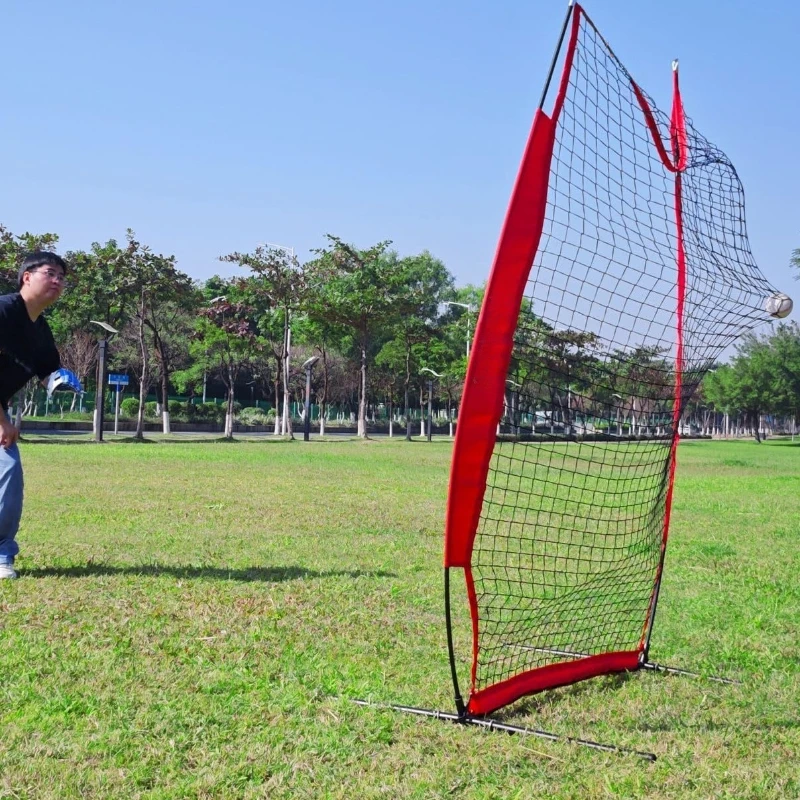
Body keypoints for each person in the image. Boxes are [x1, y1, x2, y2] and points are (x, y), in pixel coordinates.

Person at [0, 252, 66, 579]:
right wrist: (1, 421)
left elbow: (48, 368)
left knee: (8, 474)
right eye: (50, 273)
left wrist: (60, 381)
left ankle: (1, 554)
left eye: (62, 278)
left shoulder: (40, 329)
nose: (58, 281)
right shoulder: (3, 311)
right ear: (27, 276)